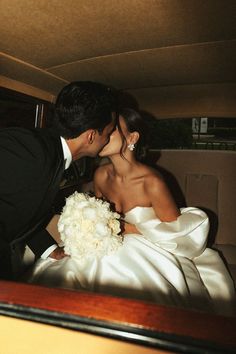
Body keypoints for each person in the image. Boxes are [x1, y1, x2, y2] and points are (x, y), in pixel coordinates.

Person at [27, 108, 235, 316]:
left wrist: (126, 228)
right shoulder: (100, 175)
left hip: (148, 245)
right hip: (106, 243)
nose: (103, 132)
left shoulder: (152, 182)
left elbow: (177, 232)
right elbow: (99, 216)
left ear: (132, 137)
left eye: (113, 129)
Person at [0, 81, 117, 280]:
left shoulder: (51, 152)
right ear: (90, 136)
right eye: (108, 133)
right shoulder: (29, 151)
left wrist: (48, 249)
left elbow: (16, 205)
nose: (108, 139)